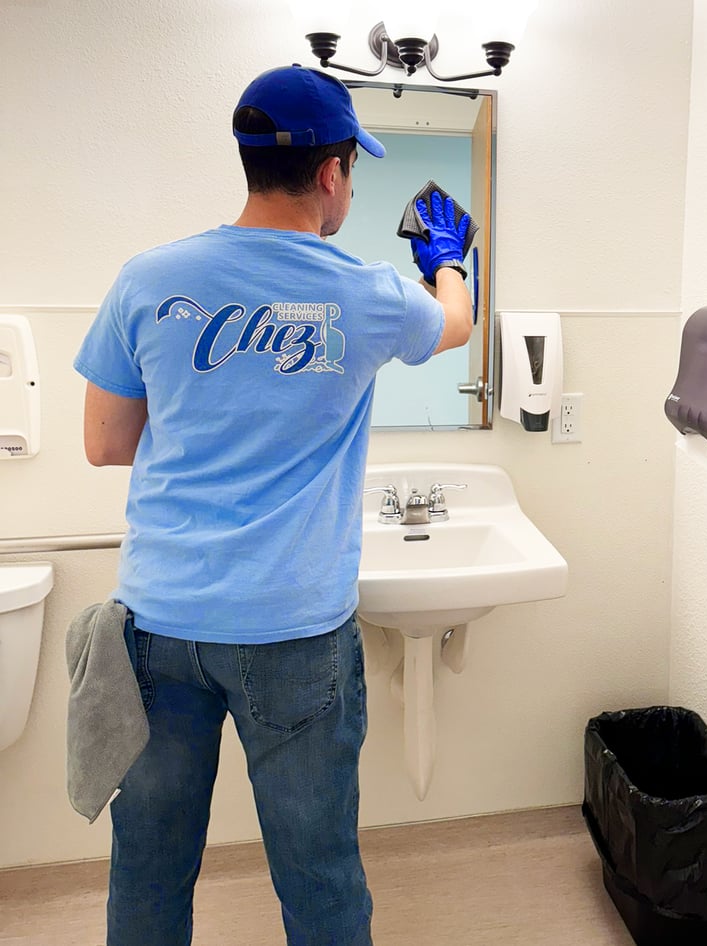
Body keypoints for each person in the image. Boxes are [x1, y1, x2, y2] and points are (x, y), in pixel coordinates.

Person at [73, 63, 473, 946]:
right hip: (292, 632)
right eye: (352, 171)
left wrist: (210, 411)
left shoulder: (150, 278)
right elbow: (457, 326)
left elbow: (104, 442)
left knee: (149, 863)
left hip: (161, 620)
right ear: (332, 174)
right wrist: (446, 261)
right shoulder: (361, 293)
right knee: (317, 870)